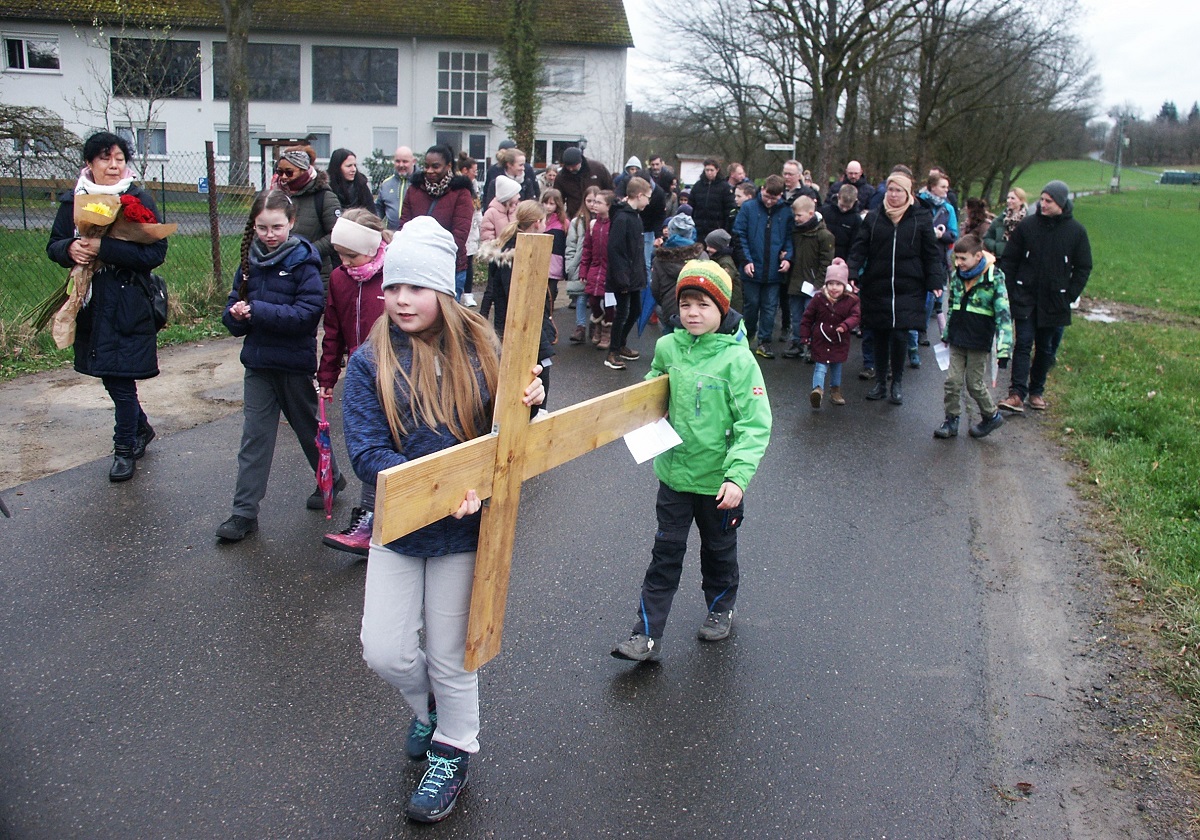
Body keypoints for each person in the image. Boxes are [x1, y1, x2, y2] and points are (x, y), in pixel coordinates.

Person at [343, 216, 544, 823]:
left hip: (462, 531)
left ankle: (453, 749)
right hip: (401, 527)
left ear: (445, 292)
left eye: (417, 288)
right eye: (394, 286)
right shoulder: (368, 362)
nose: (401, 299)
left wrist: (532, 402)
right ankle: (425, 707)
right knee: (386, 652)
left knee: (454, 654)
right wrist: (440, 484)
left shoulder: (485, 353)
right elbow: (368, 452)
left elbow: (510, 437)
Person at [611, 260, 772, 661]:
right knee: (664, 555)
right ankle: (645, 635)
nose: (693, 313)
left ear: (722, 308)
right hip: (674, 476)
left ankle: (720, 607)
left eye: (703, 305)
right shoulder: (669, 347)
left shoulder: (739, 361)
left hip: (719, 484)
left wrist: (737, 478)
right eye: (686, 305)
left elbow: (755, 424)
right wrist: (649, 401)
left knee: (718, 551)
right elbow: (654, 385)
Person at [216, 189, 345, 542]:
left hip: (292, 364)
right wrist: (237, 315)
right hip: (258, 364)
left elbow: (307, 315)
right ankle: (244, 513)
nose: (269, 234)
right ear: (254, 227)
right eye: (262, 227)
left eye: (276, 226)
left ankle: (331, 477)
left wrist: (257, 310)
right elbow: (232, 314)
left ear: (290, 223)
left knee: (307, 428)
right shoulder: (248, 261)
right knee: (254, 439)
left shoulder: (304, 261)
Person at [46, 130, 168, 482]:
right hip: (90, 301)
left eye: (119, 158)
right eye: (105, 158)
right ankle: (140, 428)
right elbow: (54, 244)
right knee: (109, 374)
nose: (114, 166)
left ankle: (124, 449)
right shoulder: (74, 200)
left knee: (120, 377)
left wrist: (103, 249)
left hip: (128, 302)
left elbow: (155, 253)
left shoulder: (137, 199)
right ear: (90, 163)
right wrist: (70, 249)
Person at [318, 211, 393, 555]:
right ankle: (369, 521)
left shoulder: (395, 274)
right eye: (340, 256)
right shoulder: (338, 279)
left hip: (396, 373)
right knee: (367, 445)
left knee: (392, 446)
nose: (345, 263)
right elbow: (332, 330)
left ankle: (385, 518)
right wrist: (328, 375)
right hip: (361, 376)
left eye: (352, 255)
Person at [847, 170, 942, 406]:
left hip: (909, 285)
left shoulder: (921, 217)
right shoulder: (874, 217)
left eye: (898, 190)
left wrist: (935, 280)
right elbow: (860, 247)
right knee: (879, 333)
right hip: (877, 284)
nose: (893, 195)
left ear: (908, 193)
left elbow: (931, 253)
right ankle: (880, 381)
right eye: (890, 189)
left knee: (900, 334)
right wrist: (852, 272)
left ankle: (896, 382)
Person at [996, 180, 1092, 413]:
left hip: (1055, 300)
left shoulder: (1076, 232)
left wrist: (1069, 295)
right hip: (1025, 295)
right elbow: (1009, 260)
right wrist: (1010, 290)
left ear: (1061, 203)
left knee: (1046, 348)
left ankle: (1036, 390)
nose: (1043, 204)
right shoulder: (1028, 226)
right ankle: (1017, 393)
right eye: (1042, 199)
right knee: (1023, 343)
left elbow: (1083, 266)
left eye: (1049, 201)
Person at [478, 200, 557, 405]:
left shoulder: (505, 248)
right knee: (537, 372)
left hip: (508, 325)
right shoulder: (520, 253)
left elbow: (491, 290)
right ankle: (536, 415)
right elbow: (521, 297)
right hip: (524, 327)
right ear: (538, 222)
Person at [934, 234, 1012, 440]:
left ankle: (991, 415)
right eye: (956, 259)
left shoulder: (994, 277)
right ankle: (951, 420)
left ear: (978, 256)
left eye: (963, 259)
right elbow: (952, 305)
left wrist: (1004, 349)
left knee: (974, 383)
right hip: (958, 336)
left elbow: (1004, 313)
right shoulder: (958, 276)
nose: (958, 263)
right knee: (952, 381)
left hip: (979, 338)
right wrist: (947, 332)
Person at [399, 144, 475, 300]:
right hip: (416, 265)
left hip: (450, 267)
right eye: (426, 166)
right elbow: (404, 227)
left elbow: (459, 235)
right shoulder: (414, 190)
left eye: (435, 166)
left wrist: (431, 253)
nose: (429, 171)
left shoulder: (461, 192)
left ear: (448, 166)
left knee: (447, 319)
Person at [732, 174, 793, 359]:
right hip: (752, 268)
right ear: (763, 189)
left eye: (774, 199)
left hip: (774, 270)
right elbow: (739, 234)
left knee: (770, 307)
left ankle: (764, 341)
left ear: (781, 196)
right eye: (767, 196)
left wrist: (788, 257)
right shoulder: (749, 208)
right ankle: (748, 336)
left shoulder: (785, 212)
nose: (769, 201)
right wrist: (746, 261)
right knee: (751, 305)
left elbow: (790, 238)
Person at [271, 145, 341, 287]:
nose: (283, 177)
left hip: (315, 273)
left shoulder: (324, 197)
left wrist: (306, 252)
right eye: (280, 172)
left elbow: (336, 235)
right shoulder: (275, 196)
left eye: (289, 172)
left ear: (303, 170)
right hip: (279, 272)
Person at [604, 176, 652, 370]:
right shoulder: (623, 218)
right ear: (639, 195)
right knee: (622, 313)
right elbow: (615, 250)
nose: (649, 201)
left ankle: (621, 343)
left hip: (633, 277)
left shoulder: (634, 216)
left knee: (636, 311)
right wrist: (622, 279)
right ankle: (612, 353)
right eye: (647, 197)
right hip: (623, 279)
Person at [799, 258, 860, 408]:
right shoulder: (819, 298)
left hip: (839, 339)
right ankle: (818, 390)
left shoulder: (851, 300)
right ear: (826, 284)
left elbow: (855, 316)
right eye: (831, 283)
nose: (834, 287)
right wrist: (805, 336)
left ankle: (835, 391)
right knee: (820, 366)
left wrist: (845, 325)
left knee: (836, 366)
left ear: (844, 285)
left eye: (838, 284)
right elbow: (807, 317)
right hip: (821, 338)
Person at [783, 195, 834, 361]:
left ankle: (812, 346)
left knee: (811, 316)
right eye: (795, 216)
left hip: (813, 284)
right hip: (796, 281)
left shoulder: (824, 235)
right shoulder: (795, 232)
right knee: (796, 316)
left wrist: (818, 283)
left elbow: (826, 262)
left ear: (811, 213)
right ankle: (797, 343)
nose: (796, 219)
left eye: (799, 216)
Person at [650, 213, 704, 329]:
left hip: (670, 311)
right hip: (696, 313)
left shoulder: (659, 259)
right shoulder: (702, 256)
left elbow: (655, 289)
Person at [565, 186, 601, 343]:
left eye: (595, 201)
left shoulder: (604, 220)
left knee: (596, 298)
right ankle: (580, 326)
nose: (592, 204)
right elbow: (571, 245)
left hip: (597, 264)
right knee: (580, 297)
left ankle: (596, 324)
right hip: (581, 264)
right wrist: (570, 264)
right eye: (589, 201)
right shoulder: (577, 221)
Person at [580, 190, 614, 349]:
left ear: (608, 206)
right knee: (593, 300)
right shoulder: (593, 224)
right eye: (593, 202)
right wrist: (583, 270)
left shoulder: (614, 224)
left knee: (609, 303)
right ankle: (598, 323)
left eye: (599, 202)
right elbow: (586, 248)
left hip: (609, 270)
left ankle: (607, 330)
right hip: (595, 268)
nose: (594, 205)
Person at [457, 153, 483, 308]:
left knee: (468, 263)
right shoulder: (458, 185)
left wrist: (481, 225)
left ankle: (468, 294)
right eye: (474, 170)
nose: (476, 173)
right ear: (465, 170)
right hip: (462, 229)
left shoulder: (474, 185)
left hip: (472, 231)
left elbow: (477, 208)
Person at [556, 146, 613, 217]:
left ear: (580, 161)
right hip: (574, 215)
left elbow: (610, 189)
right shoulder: (561, 177)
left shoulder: (598, 168)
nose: (571, 169)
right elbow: (558, 199)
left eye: (574, 166)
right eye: (568, 166)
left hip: (599, 214)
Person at [689, 158, 735, 243]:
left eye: (711, 170)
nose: (709, 173)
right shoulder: (697, 186)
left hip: (716, 228)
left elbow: (729, 209)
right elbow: (691, 206)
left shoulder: (724, 187)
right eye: (707, 170)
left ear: (717, 170)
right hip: (699, 227)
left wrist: (725, 228)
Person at [376, 146, 417, 230]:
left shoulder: (421, 183)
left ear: (413, 162)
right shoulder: (386, 184)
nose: (401, 165)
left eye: (405, 161)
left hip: (416, 237)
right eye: (397, 161)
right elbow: (378, 210)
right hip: (392, 237)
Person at [703, 229, 742, 315]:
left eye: (710, 246)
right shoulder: (717, 259)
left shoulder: (726, 262)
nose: (707, 249)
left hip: (731, 304)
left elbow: (723, 281)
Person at [540, 188, 569, 301]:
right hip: (541, 259)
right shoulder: (538, 219)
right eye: (545, 203)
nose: (548, 206)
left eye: (551, 204)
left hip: (555, 260)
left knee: (550, 292)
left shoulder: (564, 223)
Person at [983, 187, 1027, 259]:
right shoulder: (999, 220)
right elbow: (987, 237)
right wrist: (996, 247)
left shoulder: (1027, 221)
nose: (1009, 200)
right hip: (1000, 259)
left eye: (1013, 198)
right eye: (1008, 198)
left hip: (1019, 260)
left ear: (1021, 201)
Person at [822, 183, 862, 261]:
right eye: (842, 205)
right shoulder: (825, 211)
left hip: (842, 258)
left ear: (855, 201)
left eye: (848, 207)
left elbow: (854, 244)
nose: (844, 209)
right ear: (838, 197)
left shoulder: (856, 219)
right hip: (823, 254)